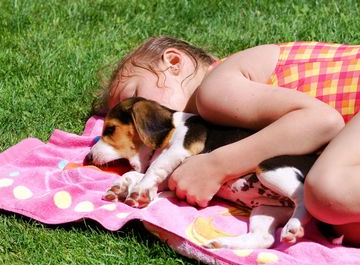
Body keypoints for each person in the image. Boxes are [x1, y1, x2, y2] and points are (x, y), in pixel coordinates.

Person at [99, 36, 360, 246]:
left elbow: (323, 121)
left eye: (133, 97)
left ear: (173, 62)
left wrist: (217, 165)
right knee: (342, 223)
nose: (135, 128)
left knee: (327, 195)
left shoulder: (214, 90)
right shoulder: (214, 127)